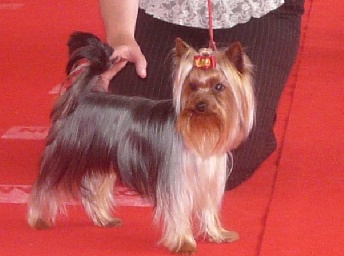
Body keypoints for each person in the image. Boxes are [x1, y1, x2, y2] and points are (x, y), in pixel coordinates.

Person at [98, 0, 306, 190]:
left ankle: (259, 127)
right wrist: (120, 34)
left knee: (224, 162)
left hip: (256, 11)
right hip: (165, 10)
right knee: (138, 153)